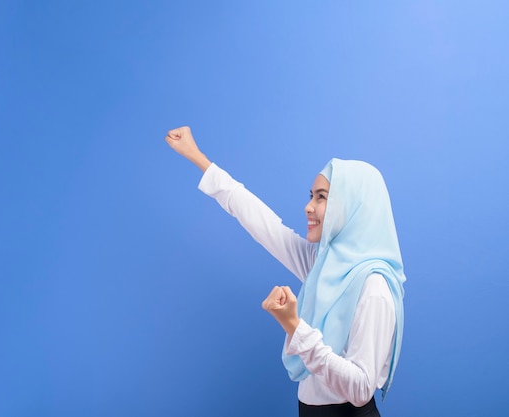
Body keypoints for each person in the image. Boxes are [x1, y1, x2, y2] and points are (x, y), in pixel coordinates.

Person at [164, 126, 406, 417]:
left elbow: (361, 388)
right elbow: (262, 223)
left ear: (353, 206)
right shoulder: (322, 266)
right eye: (311, 196)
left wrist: (295, 326)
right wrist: (199, 158)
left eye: (321, 197)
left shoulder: (374, 287)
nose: (308, 206)